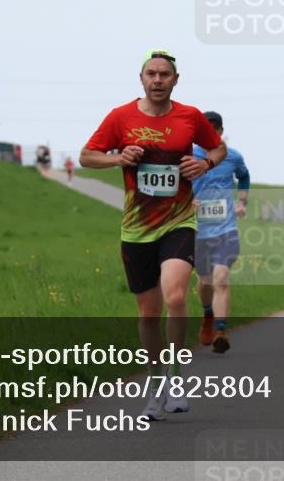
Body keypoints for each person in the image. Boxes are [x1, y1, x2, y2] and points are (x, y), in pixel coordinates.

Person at [79, 49, 227, 420]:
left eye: (165, 74)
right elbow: (86, 156)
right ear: (142, 79)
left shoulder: (190, 117)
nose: (158, 80)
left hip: (179, 221)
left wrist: (206, 162)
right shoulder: (120, 117)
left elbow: (218, 147)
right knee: (148, 315)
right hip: (137, 228)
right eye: (151, 74)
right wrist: (117, 158)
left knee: (175, 295)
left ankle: (176, 379)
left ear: (176, 80)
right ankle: (157, 381)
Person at [192, 111, 249, 354]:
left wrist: (242, 201)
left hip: (226, 229)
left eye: (215, 129)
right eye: (206, 129)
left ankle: (220, 332)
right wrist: (187, 200)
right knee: (204, 282)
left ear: (221, 131)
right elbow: (174, 183)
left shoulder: (233, 156)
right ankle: (207, 315)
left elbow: (244, 176)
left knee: (221, 278)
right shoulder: (187, 154)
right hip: (197, 230)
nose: (211, 133)